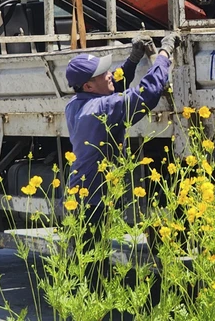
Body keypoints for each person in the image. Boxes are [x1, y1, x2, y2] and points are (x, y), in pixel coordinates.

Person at [65, 33, 178, 213]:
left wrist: (133, 60)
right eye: (103, 74)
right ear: (88, 86)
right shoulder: (101, 109)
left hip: (80, 197)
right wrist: (164, 53)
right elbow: (147, 93)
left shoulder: (74, 105)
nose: (110, 75)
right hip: (94, 203)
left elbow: (112, 90)